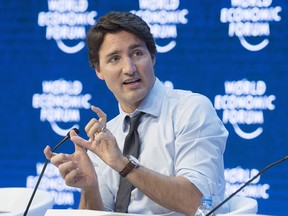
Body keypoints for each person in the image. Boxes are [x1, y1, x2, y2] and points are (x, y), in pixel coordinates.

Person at [44, 11, 228, 216]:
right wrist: (90, 187)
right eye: (114, 59)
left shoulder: (192, 110)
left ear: (152, 56)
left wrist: (123, 164)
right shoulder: (105, 137)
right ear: (99, 70)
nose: (129, 68)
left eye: (137, 54)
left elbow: (197, 203)